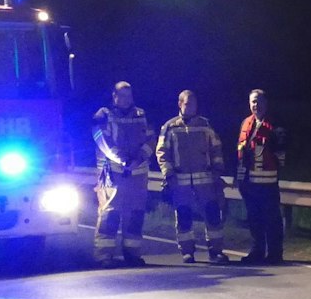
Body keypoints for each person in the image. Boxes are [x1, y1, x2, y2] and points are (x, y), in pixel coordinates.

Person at [157, 89, 229, 264]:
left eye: (194, 104)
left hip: (205, 181)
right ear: (180, 104)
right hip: (180, 182)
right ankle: (187, 251)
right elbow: (162, 153)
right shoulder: (170, 127)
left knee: (213, 215)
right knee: (184, 217)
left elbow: (216, 149)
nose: (191, 107)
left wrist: (217, 171)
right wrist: (168, 174)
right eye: (188, 104)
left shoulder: (205, 125)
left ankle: (216, 251)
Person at [91, 80, 153, 267]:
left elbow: (151, 139)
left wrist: (139, 158)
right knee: (110, 213)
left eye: (129, 95)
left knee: (135, 214)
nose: (126, 99)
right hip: (113, 174)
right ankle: (104, 256)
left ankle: (132, 254)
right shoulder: (103, 115)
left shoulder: (141, 114)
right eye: (122, 95)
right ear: (114, 96)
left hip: (138, 174)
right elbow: (103, 140)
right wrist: (123, 160)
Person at [235, 88, 287, 264]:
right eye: (253, 102)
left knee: (272, 219)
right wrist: (239, 178)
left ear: (266, 103)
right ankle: (257, 252)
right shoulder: (246, 123)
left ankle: (275, 253)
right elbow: (240, 153)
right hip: (249, 183)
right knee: (254, 219)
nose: (256, 105)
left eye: (259, 101)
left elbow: (282, 155)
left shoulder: (275, 126)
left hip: (268, 182)